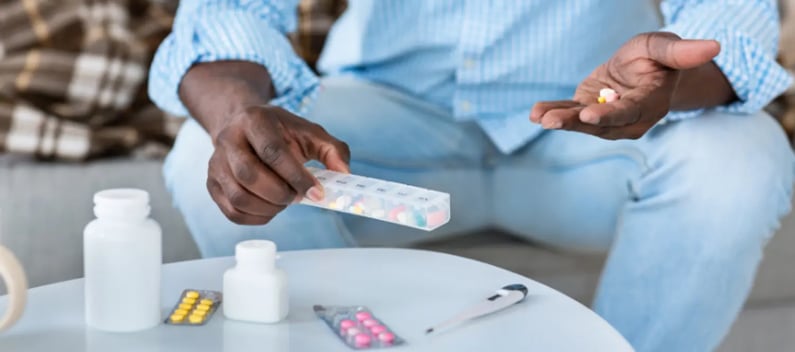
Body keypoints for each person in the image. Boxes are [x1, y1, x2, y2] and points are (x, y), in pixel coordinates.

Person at [149, 1, 794, 350]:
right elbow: (227, 11)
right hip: (382, 125)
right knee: (207, 148)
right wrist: (237, 113)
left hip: (588, 125)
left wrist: (669, 82)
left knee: (743, 154)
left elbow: (731, 16)